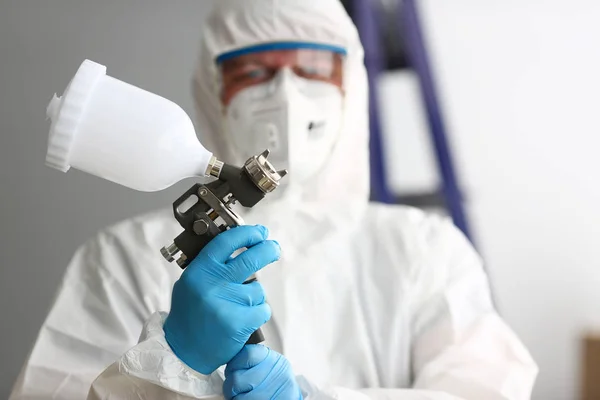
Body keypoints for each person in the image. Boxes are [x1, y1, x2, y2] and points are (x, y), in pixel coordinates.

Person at [10, 0, 538, 399]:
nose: (286, 97)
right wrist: (170, 362)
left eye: (312, 69)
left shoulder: (425, 251)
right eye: (255, 73)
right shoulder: (121, 261)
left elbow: (485, 387)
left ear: (350, 91)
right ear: (214, 91)